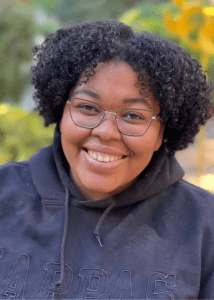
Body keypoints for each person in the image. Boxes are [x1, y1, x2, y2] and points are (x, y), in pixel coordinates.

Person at [0, 19, 213, 299]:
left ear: (164, 130)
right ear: (60, 112)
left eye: (134, 116)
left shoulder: (204, 226)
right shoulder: (5, 193)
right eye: (87, 107)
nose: (105, 132)